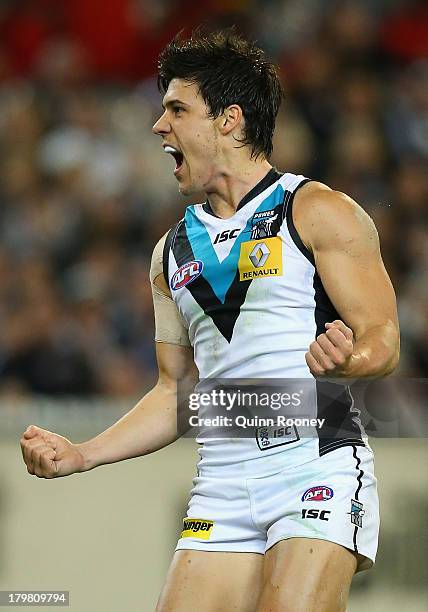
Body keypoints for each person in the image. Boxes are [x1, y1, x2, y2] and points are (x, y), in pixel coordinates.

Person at [20, 29, 400, 612]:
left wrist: (351, 359)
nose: (158, 126)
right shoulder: (169, 252)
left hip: (313, 465)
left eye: (176, 109)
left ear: (228, 120)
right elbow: (176, 391)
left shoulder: (319, 211)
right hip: (220, 485)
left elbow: (383, 339)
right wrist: (84, 453)